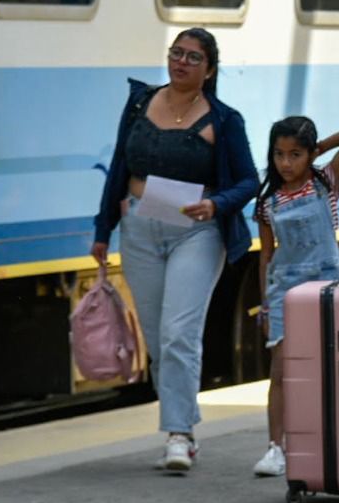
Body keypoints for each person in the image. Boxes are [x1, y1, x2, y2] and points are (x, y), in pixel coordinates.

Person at [91, 29, 259, 473]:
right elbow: (118, 170)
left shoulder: (223, 120)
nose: (181, 62)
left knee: (179, 332)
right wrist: (102, 229)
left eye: (192, 57)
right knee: (159, 337)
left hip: (194, 232)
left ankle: (179, 435)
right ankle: (182, 420)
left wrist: (216, 203)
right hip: (140, 230)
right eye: (176, 53)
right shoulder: (141, 104)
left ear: (209, 70)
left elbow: (247, 181)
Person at [250, 117, 339, 478]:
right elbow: (267, 255)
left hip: (330, 283)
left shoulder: (325, 182)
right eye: (279, 155)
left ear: (309, 155)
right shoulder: (267, 203)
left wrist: (318, 151)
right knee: (281, 370)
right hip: (285, 289)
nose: (286, 163)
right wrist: (265, 302)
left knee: (333, 366)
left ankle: (335, 439)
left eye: (296, 154)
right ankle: (275, 447)